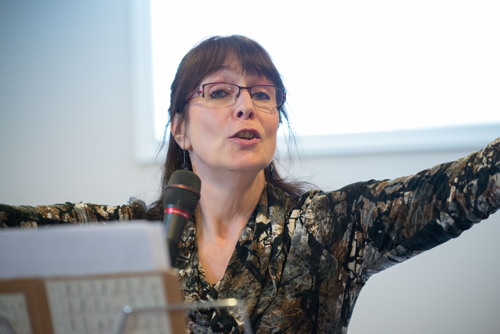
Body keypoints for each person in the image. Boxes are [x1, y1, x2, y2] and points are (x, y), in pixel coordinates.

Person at [1, 35, 499, 334]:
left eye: (263, 95)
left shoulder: (329, 227)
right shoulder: (130, 237)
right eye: (219, 92)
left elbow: (465, 185)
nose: (246, 107)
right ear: (179, 127)